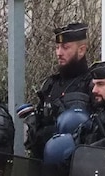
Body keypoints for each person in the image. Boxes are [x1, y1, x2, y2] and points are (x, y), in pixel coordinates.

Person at [24, 22, 94, 160]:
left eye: (65, 47)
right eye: (57, 47)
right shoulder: (50, 84)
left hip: (75, 165)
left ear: (81, 50)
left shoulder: (92, 84)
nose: (59, 53)